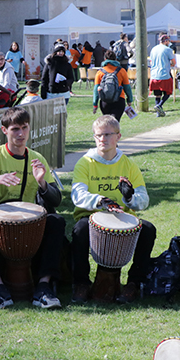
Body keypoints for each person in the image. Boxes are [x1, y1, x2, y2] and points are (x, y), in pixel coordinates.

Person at [0, 107, 65, 309]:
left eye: (24, 128)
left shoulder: (37, 158)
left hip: (30, 221)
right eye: (15, 129)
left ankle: (43, 287)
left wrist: (42, 182)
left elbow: (56, 199)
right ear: (4, 131)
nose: (20, 134)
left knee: (57, 222)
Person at [71, 115, 156, 303]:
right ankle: (81, 283)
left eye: (108, 134)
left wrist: (129, 197)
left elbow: (144, 200)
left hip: (123, 218)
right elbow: (77, 195)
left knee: (148, 230)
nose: (103, 139)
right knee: (80, 230)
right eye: (98, 135)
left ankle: (134, 283)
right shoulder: (85, 163)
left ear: (118, 136)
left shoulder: (128, 164)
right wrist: (100, 200)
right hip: (91, 216)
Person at [93, 50, 133, 121]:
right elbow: (127, 87)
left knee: (108, 123)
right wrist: (129, 99)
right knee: (115, 123)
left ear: (105, 59)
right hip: (119, 100)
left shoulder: (100, 72)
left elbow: (96, 89)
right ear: (115, 59)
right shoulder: (122, 71)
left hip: (105, 101)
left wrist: (95, 104)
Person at [149, 34, 176, 117]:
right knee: (168, 92)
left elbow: (150, 62)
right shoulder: (168, 49)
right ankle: (160, 105)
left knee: (157, 94)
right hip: (164, 75)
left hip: (154, 75)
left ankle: (158, 113)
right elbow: (173, 62)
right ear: (166, 41)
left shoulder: (153, 49)